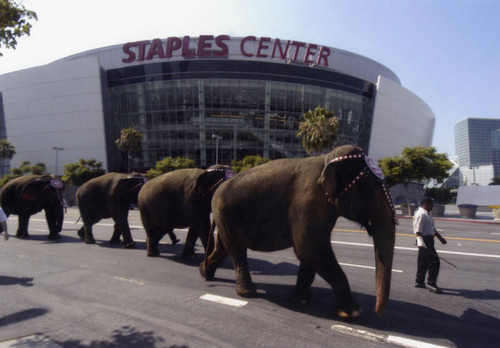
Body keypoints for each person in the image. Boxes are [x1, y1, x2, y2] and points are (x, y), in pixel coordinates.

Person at [413, 196, 447, 294]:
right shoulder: (421, 214)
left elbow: (432, 228)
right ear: (425, 204)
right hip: (424, 241)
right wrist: (421, 244)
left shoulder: (428, 214)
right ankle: (431, 283)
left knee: (423, 262)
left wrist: (440, 238)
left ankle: (419, 281)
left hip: (428, 240)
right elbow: (418, 231)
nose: (432, 206)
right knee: (434, 262)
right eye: (431, 204)